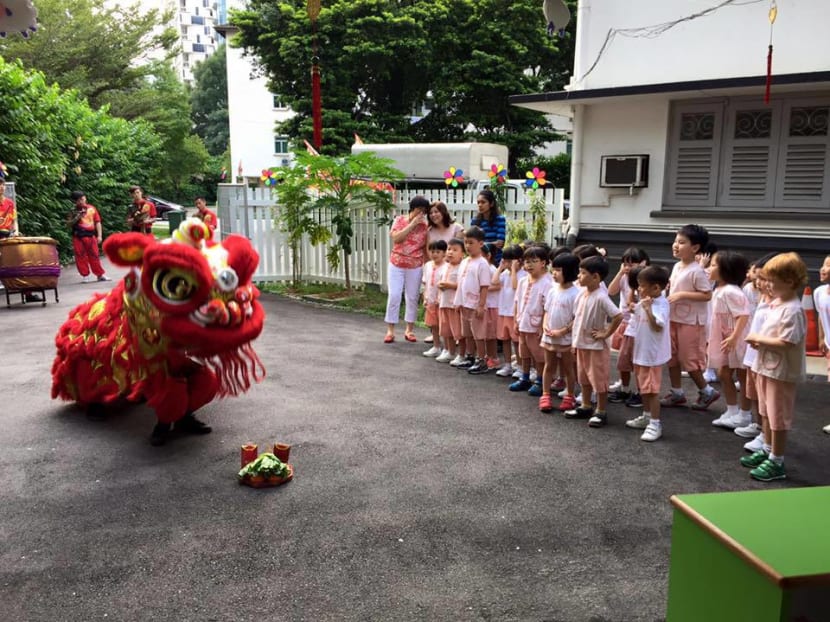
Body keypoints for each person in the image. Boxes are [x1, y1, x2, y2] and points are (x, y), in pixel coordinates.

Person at [742, 252, 808, 482]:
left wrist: (758, 339)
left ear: (789, 282)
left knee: (778, 415)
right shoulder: (777, 303)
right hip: (766, 367)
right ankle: (768, 448)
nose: (766, 285)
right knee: (766, 411)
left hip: (780, 372)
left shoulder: (793, 309)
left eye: (771, 280)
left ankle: (777, 460)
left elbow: (787, 341)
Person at [661, 224, 720, 410]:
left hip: (691, 322)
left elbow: (707, 294)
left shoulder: (697, 271)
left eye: (681, 242)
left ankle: (706, 391)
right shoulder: (678, 266)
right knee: (672, 357)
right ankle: (677, 392)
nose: (675, 245)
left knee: (689, 359)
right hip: (674, 318)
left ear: (695, 248)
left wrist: (681, 295)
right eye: (675, 241)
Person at [565, 255, 623, 427]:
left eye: (583, 273)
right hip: (581, 344)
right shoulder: (582, 294)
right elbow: (577, 318)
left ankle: (601, 411)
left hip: (596, 347)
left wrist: (606, 333)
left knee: (598, 379)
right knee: (583, 377)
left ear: (596, 277)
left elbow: (618, 316)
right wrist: (574, 342)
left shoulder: (601, 296)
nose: (579, 276)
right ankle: (586, 406)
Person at [706, 251, 753, 431]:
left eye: (713, 265)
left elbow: (743, 315)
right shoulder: (719, 290)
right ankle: (733, 410)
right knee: (724, 373)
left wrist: (734, 337)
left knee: (741, 375)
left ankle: (744, 414)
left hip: (738, 339)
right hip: (727, 337)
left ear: (726, 269)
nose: (709, 268)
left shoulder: (731, 291)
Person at [625, 266, 671, 441]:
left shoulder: (661, 304)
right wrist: (635, 307)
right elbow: (636, 313)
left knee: (652, 390)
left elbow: (658, 325)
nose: (639, 289)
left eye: (642, 286)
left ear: (656, 288)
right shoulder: (647, 301)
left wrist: (648, 310)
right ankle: (646, 416)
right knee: (643, 388)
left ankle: (655, 423)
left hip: (652, 356)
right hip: (641, 352)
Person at [384, 195, 430, 343]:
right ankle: (390, 330)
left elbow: (425, 248)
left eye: (424, 210)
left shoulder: (425, 227)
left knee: (412, 297)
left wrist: (428, 268)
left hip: (415, 265)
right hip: (396, 263)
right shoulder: (399, 220)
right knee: (394, 295)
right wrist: (411, 225)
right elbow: (397, 238)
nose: (421, 213)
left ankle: (409, 329)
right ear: (413, 208)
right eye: (419, 209)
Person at [608, 247, 650, 407]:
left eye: (632, 264)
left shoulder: (646, 281)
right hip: (624, 322)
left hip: (640, 325)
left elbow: (632, 303)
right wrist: (620, 273)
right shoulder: (624, 277)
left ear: (644, 263)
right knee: (623, 359)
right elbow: (612, 291)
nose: (628, 268)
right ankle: (624, 387)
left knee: (638, 360)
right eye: (625, 264)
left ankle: (641, 392)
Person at [510, 245, 553, 397]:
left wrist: (543, 325)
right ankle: (525, 377)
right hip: (523, 323)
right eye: (527, 261)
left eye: (534, 261)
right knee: (524, 353)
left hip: (536, 325)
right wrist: (516, 320)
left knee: (539, 355)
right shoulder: (522, 281)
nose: (529, 265)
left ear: (543, 263)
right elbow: (517, 301)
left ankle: (540, 381)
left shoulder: (548, 283)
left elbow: (547, 307)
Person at [540, 253, 580, 413]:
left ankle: (570, 395)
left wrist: (563, 331)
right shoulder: (552, 290)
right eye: (553, 269)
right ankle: (545, 394)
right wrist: (545, 326)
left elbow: (577, 318)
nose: (554, 273)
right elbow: (547, 311)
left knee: (568, 367)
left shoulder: (575, 294)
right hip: (549, 336)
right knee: (549, 365)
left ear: (569, 271)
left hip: (566, 338)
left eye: (558, 270)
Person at [453, 226, 492, 373]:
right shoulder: (464, 261)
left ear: (480, 244)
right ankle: (470, 356)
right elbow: (461, 284)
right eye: (466, 242)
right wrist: (458, 302)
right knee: (467, 332)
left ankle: (481, 360)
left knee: (478, 334)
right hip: (464, 304)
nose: (468, 246)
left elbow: (484, 286)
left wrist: (481, 306)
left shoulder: (482, 263)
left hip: (475, 305)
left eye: (471, 242)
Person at [493, 244, 523, 377]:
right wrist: (500, 268)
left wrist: (514, 270)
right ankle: (508, 365)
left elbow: (515, 286)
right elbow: (494, 282)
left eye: (511, 261)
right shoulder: (505, 273)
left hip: (513, 313)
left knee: (516, 341)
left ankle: (521, 366)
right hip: (503, 311)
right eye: (506, 260)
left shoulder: (523, 274)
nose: (508, 264)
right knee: (505, 339)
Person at [68, 191, 111, 283]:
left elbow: (97, 222)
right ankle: (85, 275)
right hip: (78, 236)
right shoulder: (73, 211)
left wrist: (99, 235)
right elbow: (69, 224)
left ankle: (100, 274)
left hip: (91, 235)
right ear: (75, 201)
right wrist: (77, 217)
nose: (82, 201)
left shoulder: (92, 208)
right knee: (80, 256)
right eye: (79, 200)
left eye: (83, 199)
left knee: (94, 255)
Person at [437, 238, 465, 364]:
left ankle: (462, 354)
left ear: (462, 254)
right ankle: (449, 351)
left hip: (455, 304)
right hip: (444, 302)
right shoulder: (445, 266)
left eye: (455, 250)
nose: (450, 252)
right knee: (446, 330)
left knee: (458, 331)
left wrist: (450, 285)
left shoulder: (462, 267)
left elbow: (463, 285)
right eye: (449, 249)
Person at [421, 240, 447, 358]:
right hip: (430, 300)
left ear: (444, 253)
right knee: (433, 325)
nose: (434, 254)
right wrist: (425, 297)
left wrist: (440, 298)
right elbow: (425, 283)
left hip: (442, 302)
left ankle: (447, 348)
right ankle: (436, 346)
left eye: (438, 251)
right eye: (432, 251)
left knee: (444, 325)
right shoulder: (427, 266)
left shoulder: (446, 267)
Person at [814, 254, 830, 434]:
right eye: (823, 265)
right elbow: (820, 316)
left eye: (828, 266)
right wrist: (821, 338)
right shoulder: (819, 292)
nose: (823, 269)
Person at [470, 190, 506, 264]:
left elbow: (500, 244)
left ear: (491, 204)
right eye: (478, 202)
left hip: (496, 260)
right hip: (478, 259)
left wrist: (480, 244)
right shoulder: (475, 221)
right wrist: (492, 243)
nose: (480, 205)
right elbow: (472, 243)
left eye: (483, 202)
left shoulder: (500, 219)